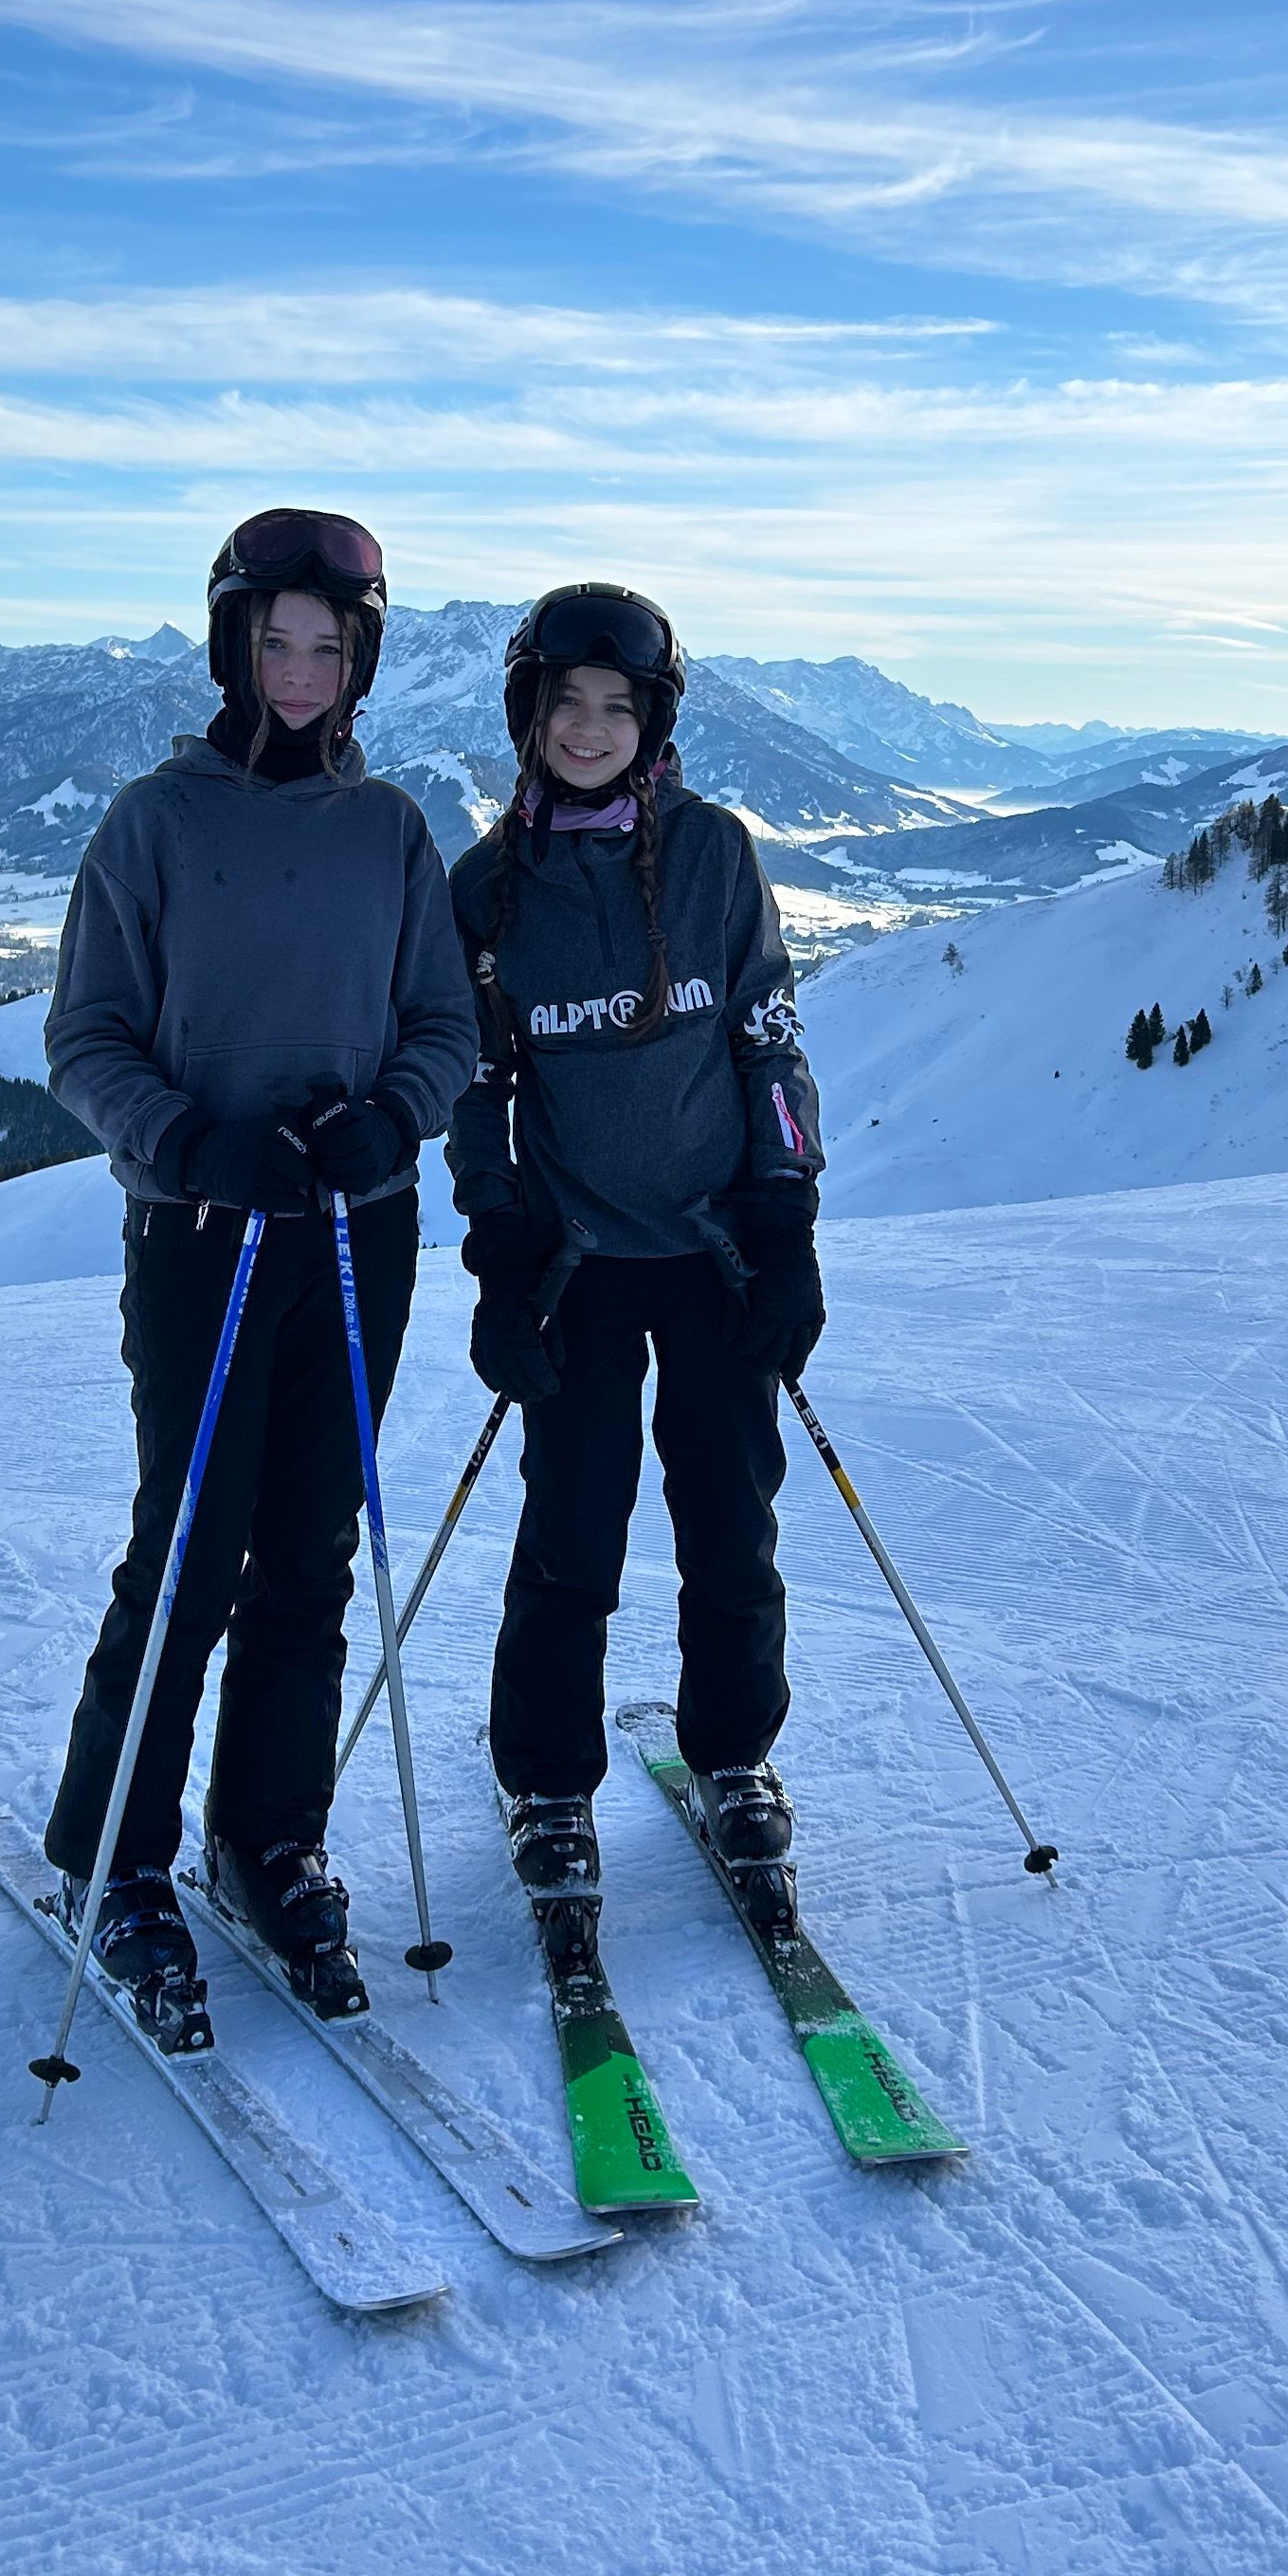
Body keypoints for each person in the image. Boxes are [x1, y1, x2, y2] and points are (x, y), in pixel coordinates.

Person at [39, 507, 478, 2045]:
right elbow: (82, 1039)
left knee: (308, 1552)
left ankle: (266, 1836)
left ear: (360, 661)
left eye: (328, 648)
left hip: (360, 1233)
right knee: (189, 1550)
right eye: (274, 642)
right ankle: (114, 1860)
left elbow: (444, 1027)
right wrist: (188, 1144)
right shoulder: (154, 823)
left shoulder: (392, 831)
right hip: (206, 1234)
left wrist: (390, 1123)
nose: (299, 672)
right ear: (232, 644)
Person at [445, 583, 827, 1964]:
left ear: (654, 723)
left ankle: (735, 1753)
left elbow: (770, 1036)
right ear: (528, 718)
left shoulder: (719, 855)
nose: (590, 729)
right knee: (574, 1541)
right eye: (566, 705)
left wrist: (786, 1219)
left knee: (735, 1531)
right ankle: (548, 1782)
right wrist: (499, 1251)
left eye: (618, 707)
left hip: (718, 1251)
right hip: (578, 1271)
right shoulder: (487, 890)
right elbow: (477, 1091)